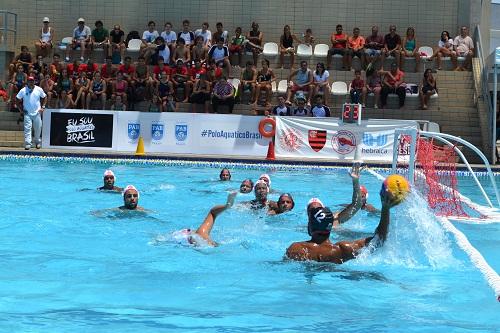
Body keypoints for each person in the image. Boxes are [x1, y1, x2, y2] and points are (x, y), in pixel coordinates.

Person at [286, 176, 401, 263]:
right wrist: (386, 208)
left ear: (309, 226)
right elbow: (379, 239)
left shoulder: (296, 249)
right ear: (330, 227)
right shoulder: (342, 250)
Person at [15, 76, 47, 150]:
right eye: (29, 81)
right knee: (27, 128)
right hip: (27, 113)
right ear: (27, 82)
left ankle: (37, 142)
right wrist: (21, 110)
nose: (31, 82)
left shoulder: (39, 89)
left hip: (37, 113)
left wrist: (43, 107)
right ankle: (28, 144)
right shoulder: (23, 90)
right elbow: (17, 99)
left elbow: (45, 97)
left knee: (38, 128)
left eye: (32, 81)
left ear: (34, 81)